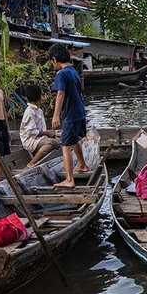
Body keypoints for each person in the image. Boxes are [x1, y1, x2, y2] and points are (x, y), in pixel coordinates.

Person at [48, 44, 88, 188]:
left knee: (65, 145)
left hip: (70, 113)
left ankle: (69, 179)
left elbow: (60, 93)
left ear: (54, 59)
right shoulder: (73, 71)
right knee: (74, 139)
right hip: (80, 111)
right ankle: (82, 164)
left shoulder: (62, 73)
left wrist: (56, 114)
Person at [20, 83, 60, 167]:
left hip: (39, 138)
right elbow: (31, 132)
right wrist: (47, 133)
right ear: (40, 97)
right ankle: (32, 162)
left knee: (59, 140)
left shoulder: (38, 110)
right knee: (51, 143)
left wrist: (48, 134)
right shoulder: (30, 111)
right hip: (30, 140)